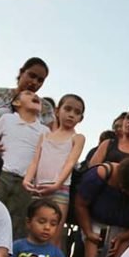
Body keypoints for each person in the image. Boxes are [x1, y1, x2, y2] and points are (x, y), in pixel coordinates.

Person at [23, 94, 86, 245]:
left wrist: (57, 184)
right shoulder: (45, 135)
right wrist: (27, 179)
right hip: (38, 188)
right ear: (58, 110)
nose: (71, 114)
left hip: (60, 190)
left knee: (53, 235)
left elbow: (70, 163)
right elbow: (35, 161)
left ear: (81, 118)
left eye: (77, 112)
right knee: (32, 232)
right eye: (68, 109)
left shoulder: (78, 138)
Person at [0, 90, 49, 239]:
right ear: (16, 103)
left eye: (37, 97)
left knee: (17, 222)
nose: (35, 96)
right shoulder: (7, 119)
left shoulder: (44, 130)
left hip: (25, 182)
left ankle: (7, 256)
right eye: (28, 93)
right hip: (2, 175)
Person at [0, 57, 54, 140]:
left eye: (40, 80)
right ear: (21, 72)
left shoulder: (45, 107)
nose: (34, 82)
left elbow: (50, 138)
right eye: (32, 76)